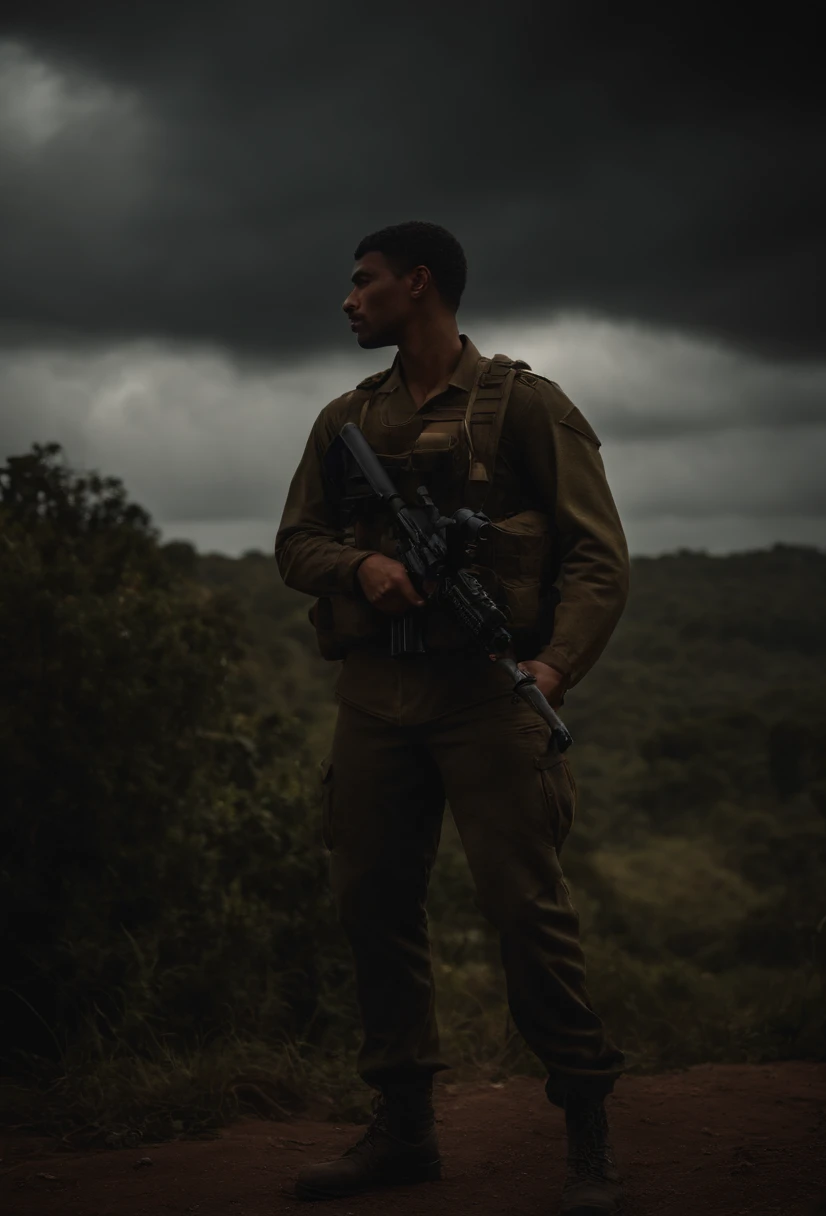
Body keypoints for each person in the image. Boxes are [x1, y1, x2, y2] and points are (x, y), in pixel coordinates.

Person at [274, 221, 629, 1215]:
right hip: (376, 698)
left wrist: (553, 666)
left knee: (526, 909)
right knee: (374, 904)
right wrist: (365, 567)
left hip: (489, 695)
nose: (348, 300)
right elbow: (295, 541)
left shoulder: (525, 404)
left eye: (364, 283)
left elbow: (598, 556)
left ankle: (588, 1129)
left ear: (415, 285)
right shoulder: (345, 419)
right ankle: (402, 1129)